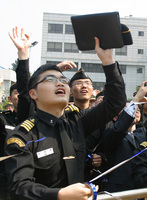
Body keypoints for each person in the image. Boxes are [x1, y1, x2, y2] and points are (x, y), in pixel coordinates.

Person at [4, 35, 126, 199]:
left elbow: (115, 103)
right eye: (50, 79)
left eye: (63, 79)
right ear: (34, 94)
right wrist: (59, 195)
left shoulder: (77, 122)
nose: (60, 82)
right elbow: (19, 187)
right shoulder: (23, 137)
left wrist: (108, 61)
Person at [0, 83, 19, 200]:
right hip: (5, 176)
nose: (21, 95)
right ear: (9, 98)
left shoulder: (36, 119)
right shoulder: (3, 119)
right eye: (17, 93)